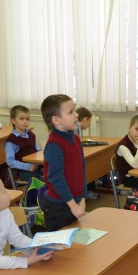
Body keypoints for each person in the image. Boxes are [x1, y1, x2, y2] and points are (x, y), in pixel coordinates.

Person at [38, 94, 88, 231]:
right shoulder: (55, 144)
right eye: (71, 112)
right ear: (56, 120)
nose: (77, 115)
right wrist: (73, 206)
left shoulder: (76, 140)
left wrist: (83, 200)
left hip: (76, 203)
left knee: (78, 247)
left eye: (75, 110)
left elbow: (82, 170)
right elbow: (55, 178)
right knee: (61, 249)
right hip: (59, 207)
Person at [5, 105, 43, 183]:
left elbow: (38, 151)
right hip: (24, 171)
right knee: (44, 180)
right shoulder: (11, 140)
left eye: (27, 119)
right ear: (13, 121)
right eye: (22, 119)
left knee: (55, 174)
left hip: (37, 166)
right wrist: (28, 166)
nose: (25, 121)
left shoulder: (31, 135)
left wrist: (40, 163)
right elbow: (10, 162)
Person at [74, 107, 100, 200]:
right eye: (89, 121)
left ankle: (86, 190)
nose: (88, 125)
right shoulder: (74, 128)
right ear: (85, 119)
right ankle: (83, 192)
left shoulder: (77, 127)